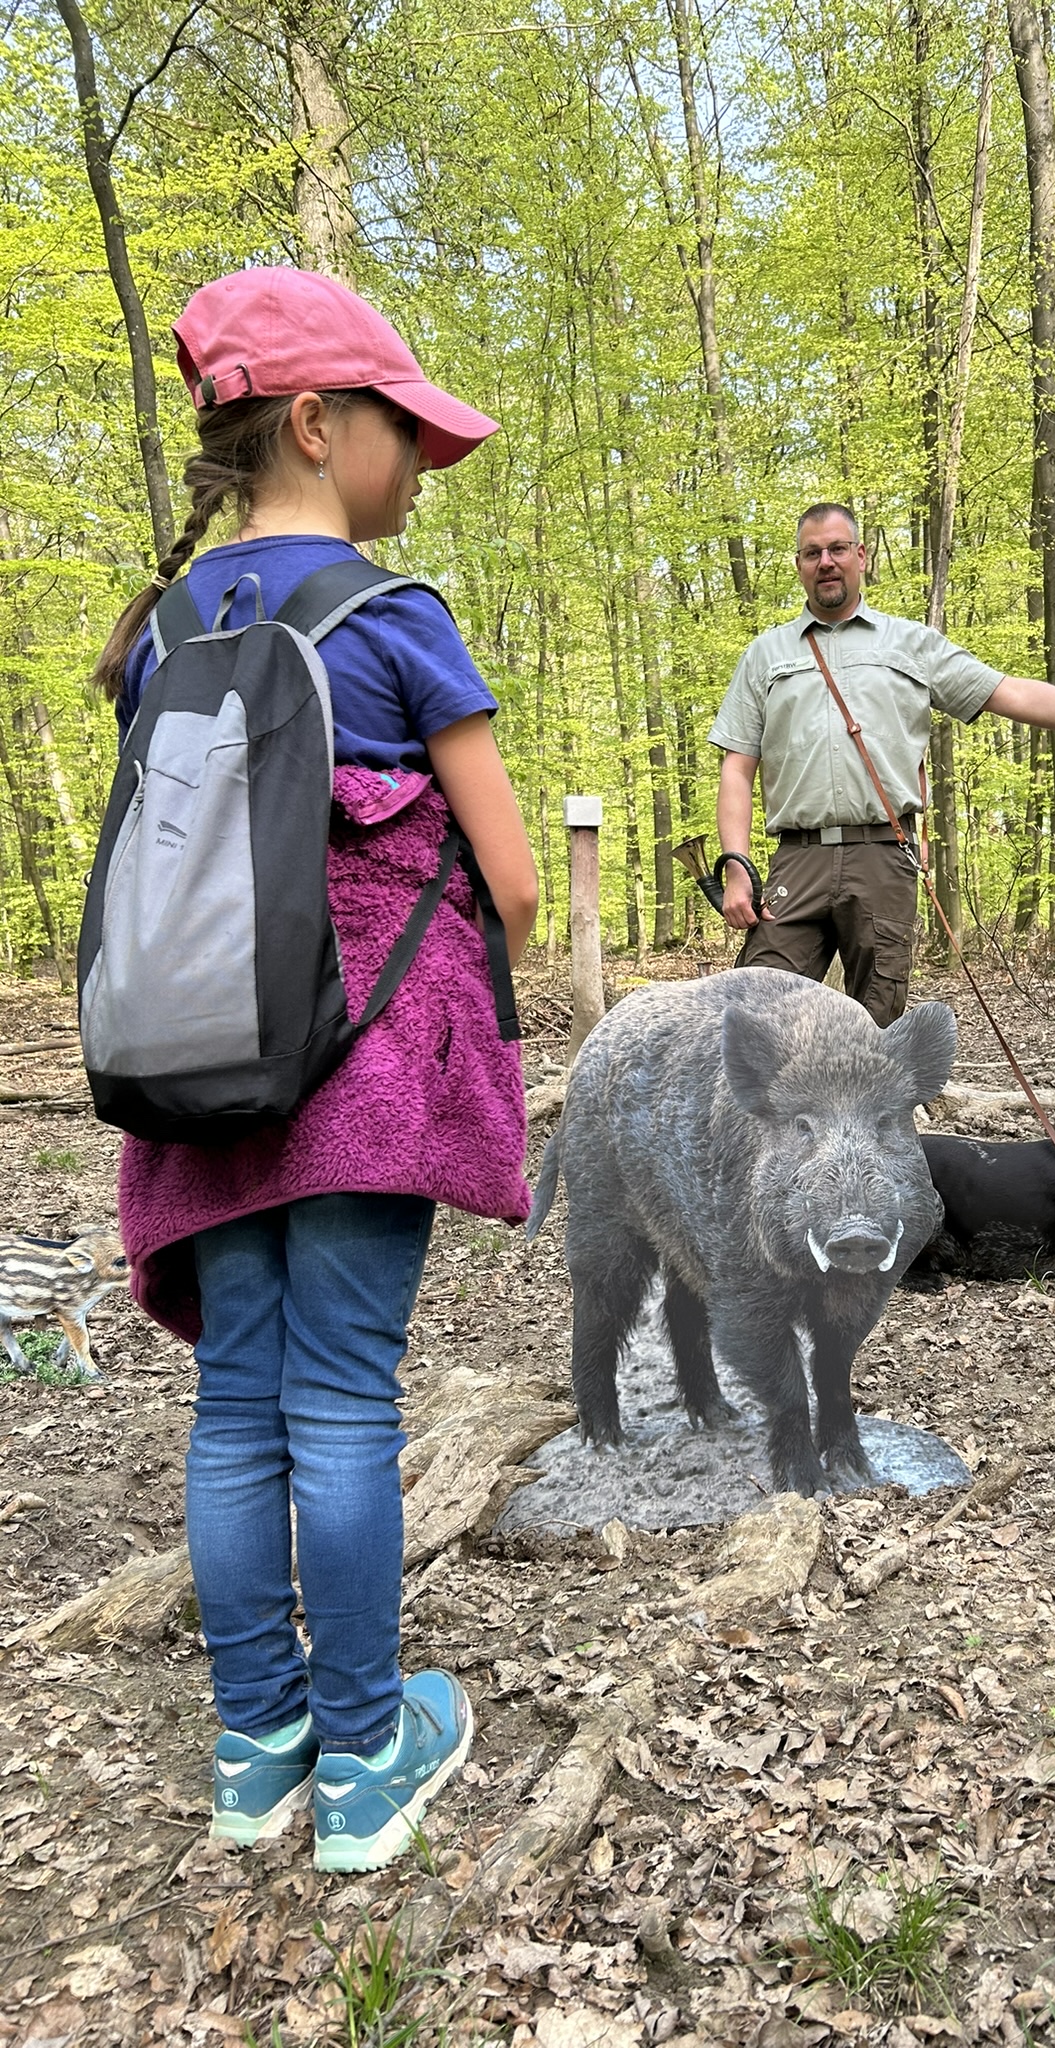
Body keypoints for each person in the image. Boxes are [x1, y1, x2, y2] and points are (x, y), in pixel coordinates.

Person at [96, 268, 539, 1873]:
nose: (420, 465)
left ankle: (254, 1746)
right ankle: (364, 1758)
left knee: (235, 1414)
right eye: (403, 432)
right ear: (312, 420)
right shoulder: (394, 621)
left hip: (198, 1065)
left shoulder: (167, 630)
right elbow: (516, 877)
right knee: (346, 1407)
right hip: (355, 1073)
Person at [711, 502, 1055, 1024]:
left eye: (837, 549)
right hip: (797, 859)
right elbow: (737, 769)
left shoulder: (910, 644)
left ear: (861, 555)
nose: (826, 562)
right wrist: (737, 866)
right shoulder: (765, 655)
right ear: (799, 565)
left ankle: (873, 1108)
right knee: (755, 1014)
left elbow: (1013, 694)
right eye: (812, 553)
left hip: (883, 855)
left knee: (877, 1023)